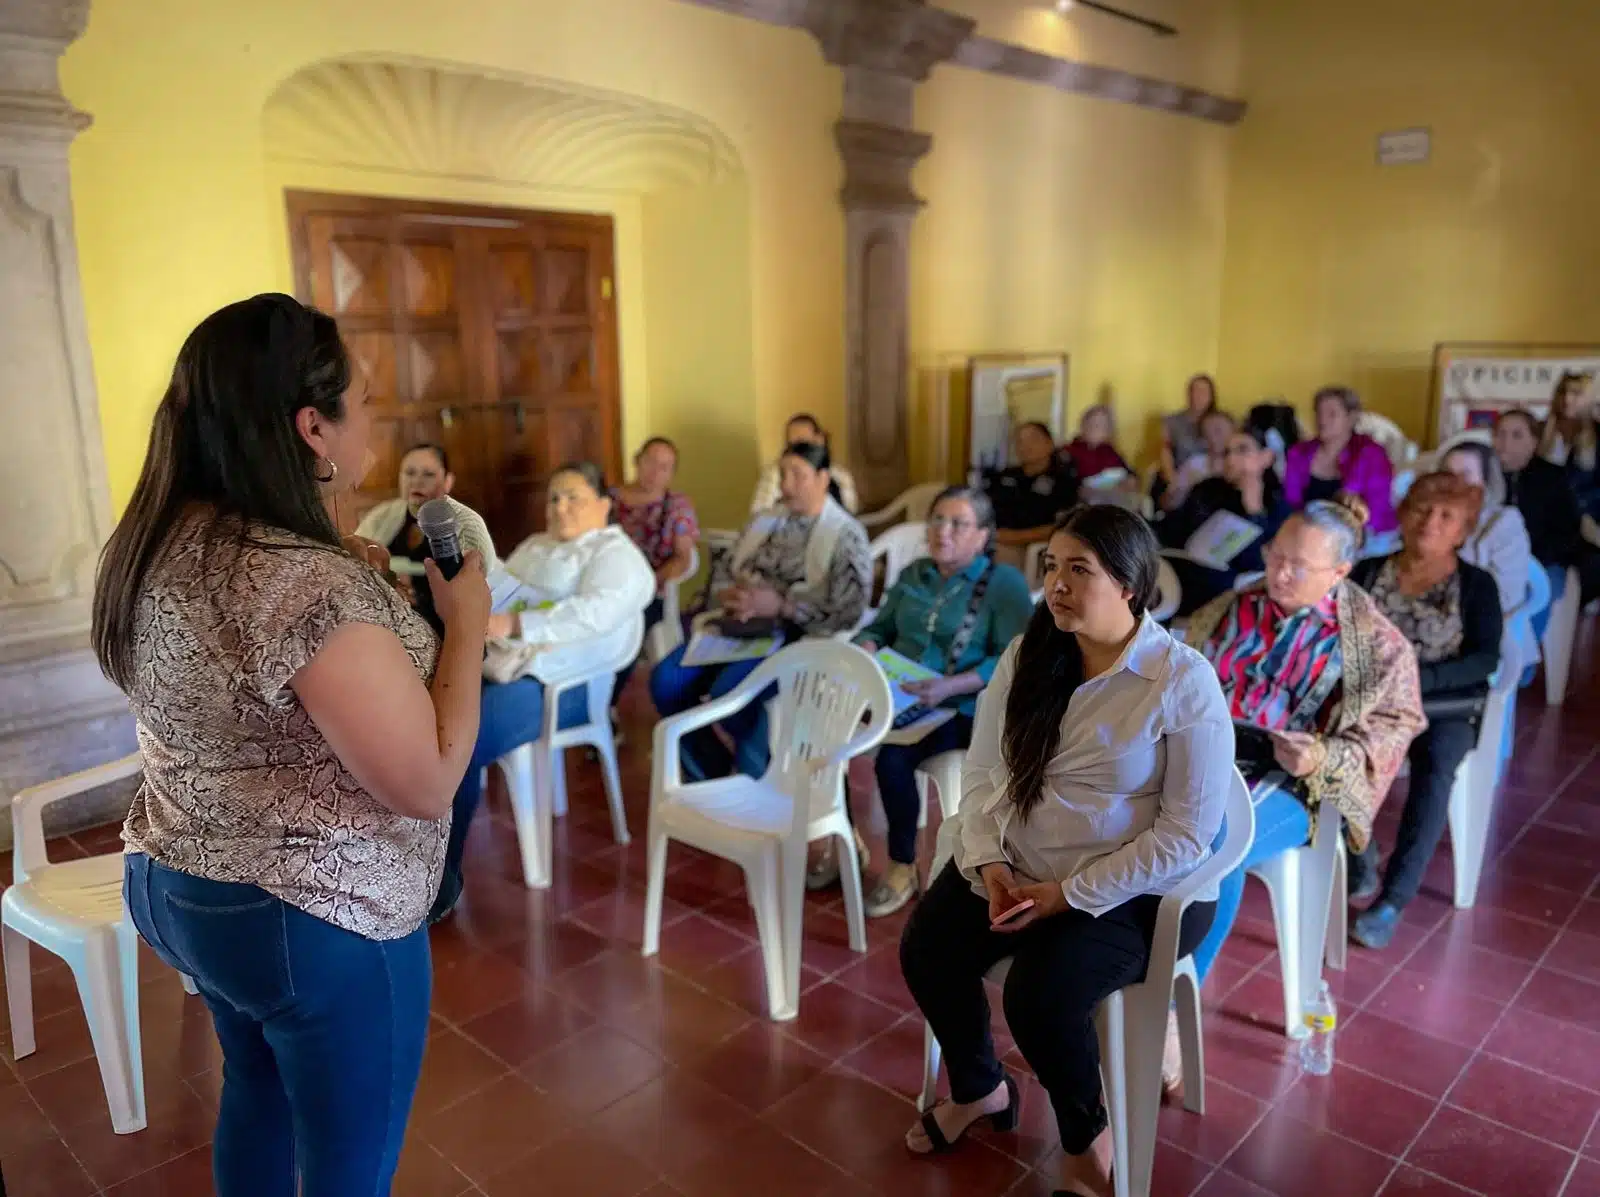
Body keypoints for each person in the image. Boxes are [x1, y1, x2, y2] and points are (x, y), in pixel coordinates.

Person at [94, 294, 490, 1195]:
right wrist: (466, 623)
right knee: (351, 1169)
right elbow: (428, 781)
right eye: (366, 398)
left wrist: (357, 593)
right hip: (313, 909)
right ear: (314, 426)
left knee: (260, 1095)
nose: (377, 415)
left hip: (179, 880)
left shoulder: (160, 540)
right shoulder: (297, 580)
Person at [897, 505, 1232, 1197]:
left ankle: (1087, 1135)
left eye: (1080, 569)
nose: (1056, 584)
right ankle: (982, 1087)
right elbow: (986, 770)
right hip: (1019, 865)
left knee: (1040, 997)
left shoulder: (1180, 681)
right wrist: (990, 863)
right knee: (927, 947)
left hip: (1138, 887)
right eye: (1052, 566)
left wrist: (1068, 893)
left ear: (1131, 584)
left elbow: (1186, 834)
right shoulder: (1031, 654)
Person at [1175, 493, 1424, 1087]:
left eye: (1298, 566)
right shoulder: (1236, 606)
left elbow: (1392, 731)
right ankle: (1112, 976)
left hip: (1291, 785)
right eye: (1274, 555)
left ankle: (1167, 1015)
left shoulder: (1378, 645)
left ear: (1339, 573)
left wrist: (1321, 755)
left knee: (1218, 842)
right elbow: (1184, 667)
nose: (1278, 573)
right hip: (1209, 758)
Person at [431, 461, 654, 921]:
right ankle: (424, 861)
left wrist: (515, 623)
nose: (560, 506)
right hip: (506, 666)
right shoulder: (536, 546)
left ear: (604, 505)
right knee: (438, 718)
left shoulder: (617, 555)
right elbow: (498, 586)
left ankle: (440, 877)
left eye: (573, 496)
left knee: (460, 740)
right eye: (554, 497)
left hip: (561, 684)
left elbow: (594, 613)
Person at [848, 487, 1034, 916]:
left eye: (957, 523)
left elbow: (1015, 654)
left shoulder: (1001, 584)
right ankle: (843, 840)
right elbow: (878, 628)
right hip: (900, 693)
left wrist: (950, 686)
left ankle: (901, 864)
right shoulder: (915, 574)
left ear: (982, 535)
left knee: (892, 760)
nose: (942, 531)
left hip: (963, 706)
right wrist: (869, 647)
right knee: (827, 735)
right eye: (936, 520)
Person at [652, 440, 871, 782]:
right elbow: (723, 570)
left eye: (797, 475)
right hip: (739, 626)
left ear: (823, 478)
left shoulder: (845, 535)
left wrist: (783, 606)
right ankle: (712, 770)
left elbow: (849, 611)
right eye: (782, 474)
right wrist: (733, 596)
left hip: (796, 635)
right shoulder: (764, 521)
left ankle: (758, 772)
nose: (785, 485)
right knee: (665, 682)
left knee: (731, 692)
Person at [1348, 473, 1502, 948]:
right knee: (1332, 751)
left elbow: (1485, 658)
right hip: (1371, 701)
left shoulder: (1475, 586)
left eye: (1446, 516)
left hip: (1444, 707)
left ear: (1463, 531)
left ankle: (1394, 897)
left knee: (1436, 771)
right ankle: (1358, 857)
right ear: (1403, 514)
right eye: (1422, 509)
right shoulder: (1369, 572)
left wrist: (1415, 682)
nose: (1430, 523)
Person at [1158, 424, 1292, 613]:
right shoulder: (1207, 490)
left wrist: (1254, 513)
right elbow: (1172, 533)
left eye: (1242, 450)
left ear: (1266, 457)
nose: (1231, 459)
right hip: (1189, 579)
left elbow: (1261, 564)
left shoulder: (1277, 503)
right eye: (1227, 452)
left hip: (1239, 593)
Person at [610, 436, 701, 697]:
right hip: (608, 584)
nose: (655, 472)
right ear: (637, 461)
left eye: (664, 467)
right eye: (650, 462)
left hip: (649, 591)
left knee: (627, 628)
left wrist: (648, 584)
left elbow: (683, 557)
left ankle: (607, 701)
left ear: (672, 473)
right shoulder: (610, 500)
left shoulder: (676, 505)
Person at [1495, 408, 1600, 616]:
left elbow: (1566, 533)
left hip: (1542, 564)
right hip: (1493, 564)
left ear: (1533, 442)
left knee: (1534, 598)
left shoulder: (1553, 478)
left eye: (1517, 435)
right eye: (1500, 434)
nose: (1506, 442)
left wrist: (1529, 560)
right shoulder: (1482, 475)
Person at [1443, 439, 1534, 666]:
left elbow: (1506, 597)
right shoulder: (1433, 519)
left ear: (1486, 482)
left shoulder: (1504, 524)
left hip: (1483, 636)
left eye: (1465, 475)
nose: (1455, 484)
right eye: (1447, 474)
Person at [354, 442, 494, 573]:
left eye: (428, 474)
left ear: (448, 481)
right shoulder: (381, 515)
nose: (417, 481)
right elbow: (357, 563)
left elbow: (479, 578)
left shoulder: (469, 524)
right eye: (409, 473)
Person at [1283, 387, 1396, 535]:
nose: (1322, 420)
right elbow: (1290, 503)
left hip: (1361, 536)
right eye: (1318, 413)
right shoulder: (1299, 453)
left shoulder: (1372, 455)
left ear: (1351, 418)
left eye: (1332, 414)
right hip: (1307, 532)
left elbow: (1377, 510)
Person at [983, 420, 1079, 571]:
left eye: (1033, 439)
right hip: (991, 537)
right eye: (1020, 441)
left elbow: (1062, 526)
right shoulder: (1005, 476)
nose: (1025, 446)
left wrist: (1014, 537)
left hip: (1028, 545)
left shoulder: (1063, 481)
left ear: (1049, 444)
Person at [749, 412, 858, 514]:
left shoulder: (841, 475)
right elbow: (758, 515)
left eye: (802, 444)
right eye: (791, 445)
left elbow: (851, 512)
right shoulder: (774, 475)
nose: (796, 452)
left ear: (819, 439)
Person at [1159, 408, 1236, 513]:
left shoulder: (1244, 462)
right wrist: (1181, 491)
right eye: (1206, 433)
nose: (1213, 438)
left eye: (1218, 431)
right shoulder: (1194, 464)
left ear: (1234, 431)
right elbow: (1166, 504)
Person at [1159, 373, 1219, 489]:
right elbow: (1165, 451)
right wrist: (1173, 480)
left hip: (1210, 481)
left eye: (1203, 391)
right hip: (1180, 477)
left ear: (1211, 396)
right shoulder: (1171, 421)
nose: (1198, 395)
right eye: (1194, 390)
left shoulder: (1220, 422)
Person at [1062, 404, 1132, 484]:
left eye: (1101, 424)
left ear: (1108, 432)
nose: (1095, 428)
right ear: (1082, 425)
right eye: (1091, 423)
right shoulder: (1067, 452)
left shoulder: (1111, 453)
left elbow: (1129, 475)